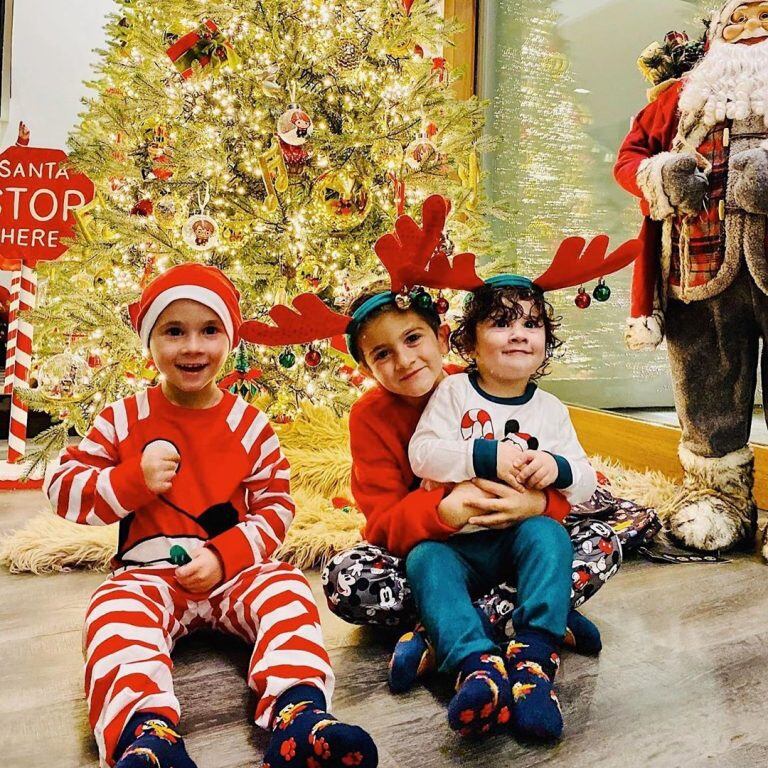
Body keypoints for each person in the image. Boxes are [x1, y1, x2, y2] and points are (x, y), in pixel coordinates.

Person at [44, 263, 377, 768]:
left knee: (287, 592)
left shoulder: (248, 424)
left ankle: (298, 716)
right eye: (173, 331)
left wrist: (227, 555)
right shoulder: (123, 418)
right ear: (148, 339)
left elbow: (276, 506)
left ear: (230, 337)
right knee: (112, 616)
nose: (193, 347)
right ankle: (146, 734)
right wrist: (131, 480)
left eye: (209, 330)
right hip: (146, 574)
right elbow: (64, 490)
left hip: (233, 573)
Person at [403, 276, 597, 741]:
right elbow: (422, 454)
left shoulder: (550, 410)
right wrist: (483, 455)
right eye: (501, 322)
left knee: (551, 537)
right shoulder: (453, 393)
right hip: (458, 544)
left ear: (546, 344)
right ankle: (476, 666)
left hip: (518, 542)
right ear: (469, 342)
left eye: (531, 324)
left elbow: (587, 483)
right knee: (422, 560)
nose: (518, 333)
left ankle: (533, 660)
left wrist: (556, 467)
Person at [614, 1, 768, 554]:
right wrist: (662, 174)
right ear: (715, 39)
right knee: (705, 386)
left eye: (764, 20)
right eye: (738, 22)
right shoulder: (680, 99)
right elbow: (630, 157)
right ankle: (716, 494)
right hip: (696, 271)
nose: (751, 31)